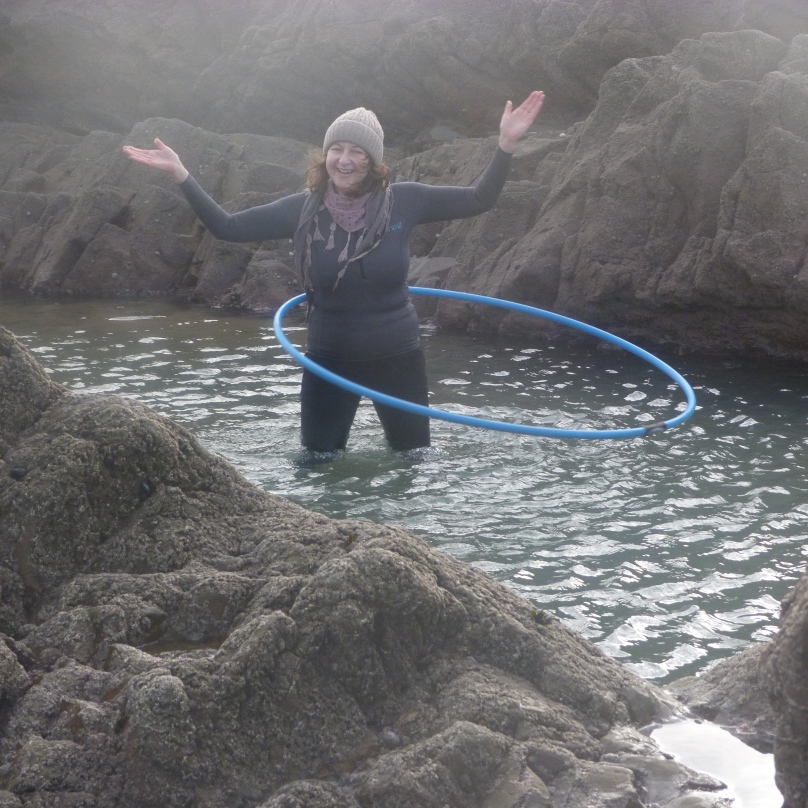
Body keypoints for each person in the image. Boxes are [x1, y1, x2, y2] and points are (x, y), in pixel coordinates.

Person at [123, 91, 545, 455]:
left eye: (357, 152)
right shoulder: (300, 209)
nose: (345, 161)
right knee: (318, 465)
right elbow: (227, 227)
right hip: (329, 359)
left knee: (412, 464)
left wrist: (505, 145)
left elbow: (479, 199)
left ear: (374, 160)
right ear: (325, 155)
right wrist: (181, 173)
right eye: (337, 149)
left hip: (397, 357)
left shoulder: (406, 201)